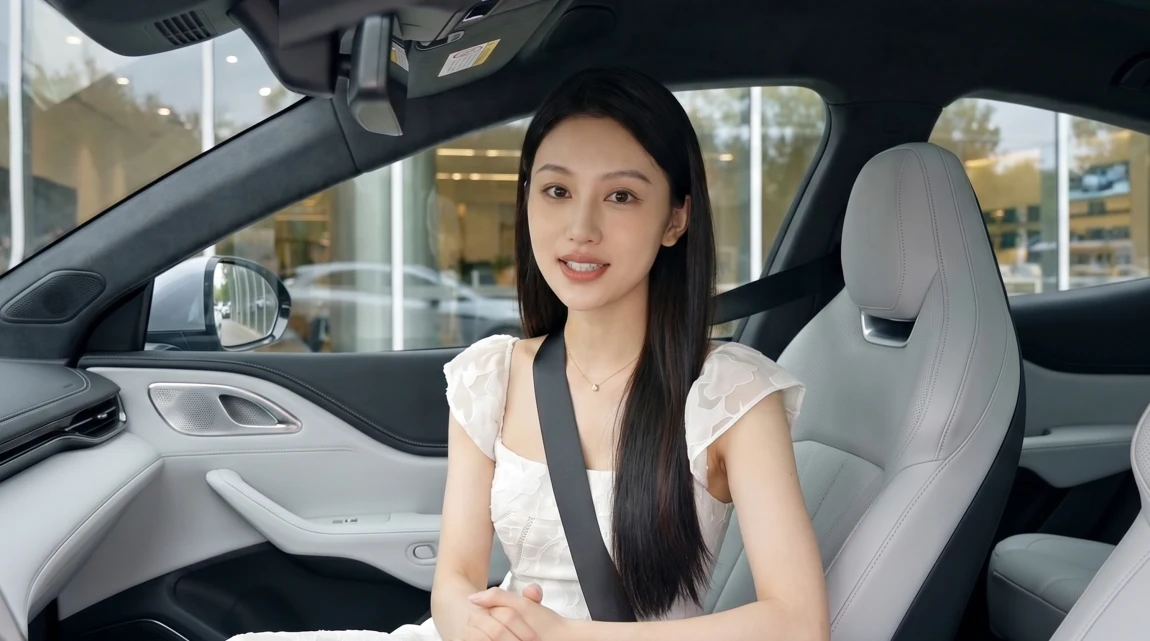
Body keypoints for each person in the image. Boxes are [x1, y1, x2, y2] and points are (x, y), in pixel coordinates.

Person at [229, 67, 829, 641]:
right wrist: (480, 626)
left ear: (676, 219)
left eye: (621, 195)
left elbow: (798, 624)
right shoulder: (491, 377)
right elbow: (456, 580)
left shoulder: (730, 397)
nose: (581, 227)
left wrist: (567, 637)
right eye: (557, 191)